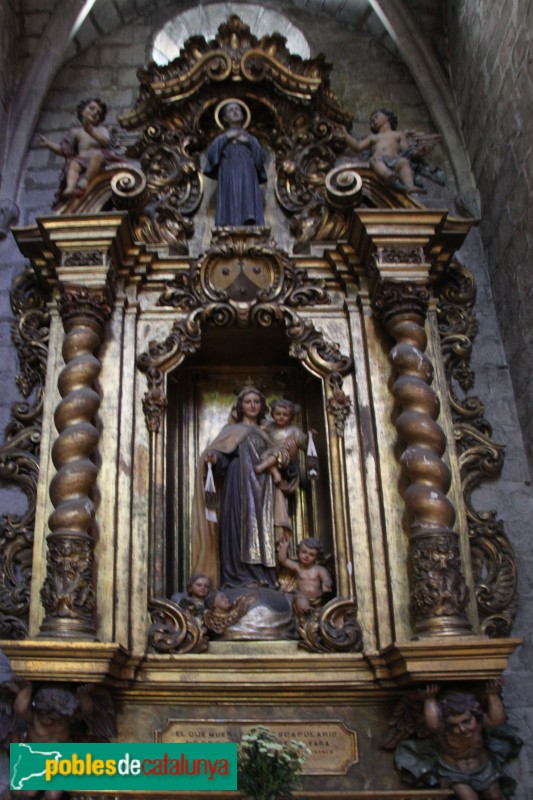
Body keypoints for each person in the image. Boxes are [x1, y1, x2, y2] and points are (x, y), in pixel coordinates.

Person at [191, 388, 296, 589]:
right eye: (248, 401)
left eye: (256, 401)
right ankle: (237, 577)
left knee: (262, 529)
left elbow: (284, 464)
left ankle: (264, 577)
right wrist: (214, 459)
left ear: (262, 405)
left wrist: (290, 458)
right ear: (240, 406)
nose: (253, 405)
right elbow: (221, 455)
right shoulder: (231, 431)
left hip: (264, 488)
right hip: (236, 482)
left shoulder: (269, 432)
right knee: (236, 527)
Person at [420, 682, 508, 799]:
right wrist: (429, 699)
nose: (462, 729)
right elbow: (434, 725)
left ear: (475, 715)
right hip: (454, 772)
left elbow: (497, 720)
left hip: (483, 768)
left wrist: (492, 694)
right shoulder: (444, 731)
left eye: (466, 722)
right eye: (454, 725)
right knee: (469, 798)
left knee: (495, 796)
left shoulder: (478, 725)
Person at [40, 97, 121, 203]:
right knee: (73, 164)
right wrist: (48, 144)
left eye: (98, 113)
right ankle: (70, 188)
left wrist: (91, 131)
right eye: (91, 108)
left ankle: (85, 180)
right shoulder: (76, 132)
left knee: (97, 155)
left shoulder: (101, 130)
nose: (95, 113)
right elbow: (64, 150)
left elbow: (106, 142)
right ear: (82, 111)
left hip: (97, 159)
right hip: (81, 159)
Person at [341, 109, 439, 194]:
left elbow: (406, 151)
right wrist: (346, 135)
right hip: (380, 159)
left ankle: (409, 186)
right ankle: (387, 175)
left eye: (376, 117)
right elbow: (358, 146)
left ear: (387, 117)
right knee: (374, 160)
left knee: (404, 162)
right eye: (371, 121)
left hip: (395, 160)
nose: (373, 121)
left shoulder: (398, 135)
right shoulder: (373, 137)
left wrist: (417, 153)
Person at [204, 99, 267, 226]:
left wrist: (247, 142)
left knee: (247, 197)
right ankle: (228, 222)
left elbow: (260, 159)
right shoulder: (222, 138)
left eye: (237, 109)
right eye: (231, 110)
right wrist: (227, 137)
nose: (235, 112)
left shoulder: (251, 138)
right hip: (228, 172)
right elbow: (211, 155)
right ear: (225, 118)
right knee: (229, 198)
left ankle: (249, 221)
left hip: (247, 172)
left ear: (243, 115)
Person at [254, 399, 310, 487]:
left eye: (285, 415)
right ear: (272, 414)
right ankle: (274, 472)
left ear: (291, 417)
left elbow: (303, 440)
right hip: (269, 454)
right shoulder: (270, 426)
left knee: (277, 454)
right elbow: (257, 429)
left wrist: (309, 438)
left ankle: (269, 470)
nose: (281, 417)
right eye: (277, 414)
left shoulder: (294, 431)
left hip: (284, 456)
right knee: (268, 457)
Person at [277, 537, 332, 614]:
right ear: (298, 552)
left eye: (311, 554)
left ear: (317, 557)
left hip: (318, 599)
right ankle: (307, 612)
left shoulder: (319, 569)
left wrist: (326, 584)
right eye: (304, 552)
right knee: (301, 603)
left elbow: (326, 578)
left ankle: (316, 613)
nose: (307, 556)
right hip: (302, 595)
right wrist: (284, 546)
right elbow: (283, 560)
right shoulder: (297, 567)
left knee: (325, 609)